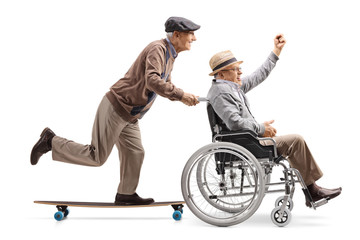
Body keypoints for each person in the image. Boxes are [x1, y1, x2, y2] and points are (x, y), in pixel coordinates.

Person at [30, 16, 200, 205]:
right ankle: (51, 142)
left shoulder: (169, 54)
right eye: (190, 34)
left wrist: (181, 96)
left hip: (130, 115)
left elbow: (164, 83)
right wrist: (181, 94)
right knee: (96, 156)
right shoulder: (157, 49)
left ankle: (126, 194)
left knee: (135, 152)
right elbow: (152, 81)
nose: (194, 39)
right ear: (176, 35)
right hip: (116, 107)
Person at [207, 34, 341, 207]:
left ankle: (311, 191)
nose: (240, 72)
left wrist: (276, 51)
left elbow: (258, 75)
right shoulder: (221, 92)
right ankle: (312, 191)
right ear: (221, 73)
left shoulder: (232, 87)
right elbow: (234, 123)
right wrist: (261, 128)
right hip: (244, 143)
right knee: (296, 141)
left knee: (294, 142)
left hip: (247, 140)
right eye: (235, 69)